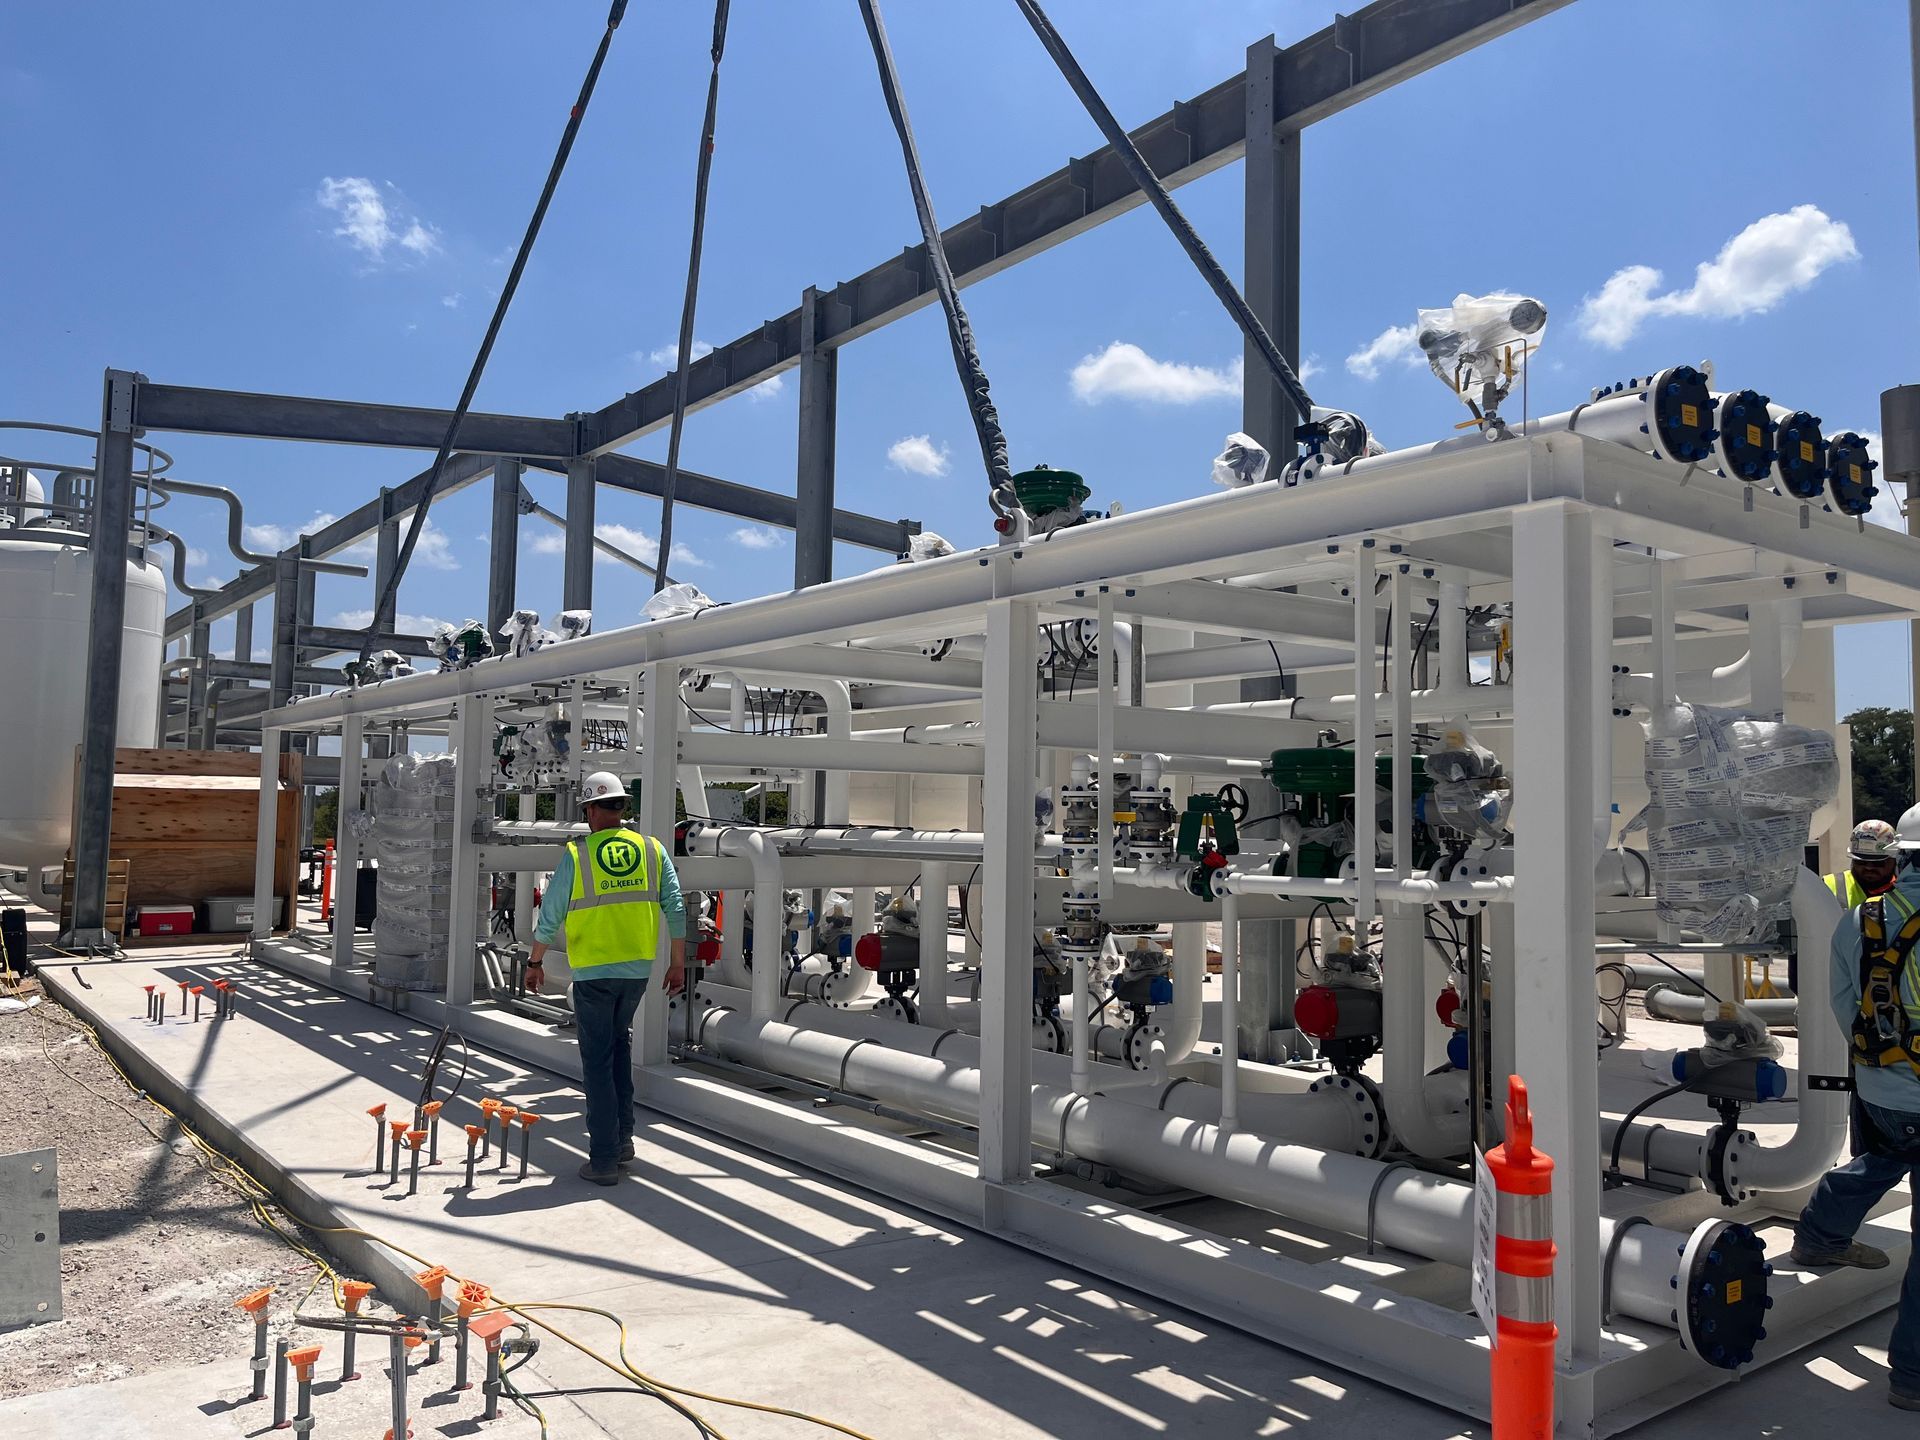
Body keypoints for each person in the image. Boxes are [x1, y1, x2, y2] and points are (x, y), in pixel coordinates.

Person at [1792, 803, 1920, 1411]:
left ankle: (1820, 1232)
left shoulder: (1857, 920)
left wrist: (1881, 1066)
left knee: (1885, 1157)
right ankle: (1913, 1376)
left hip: (1879, 1086)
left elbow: (1843, 1003)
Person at [528, 771, 686, 1185]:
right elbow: (676, 906)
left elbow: (551, 914)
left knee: (597, 1063)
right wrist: (677, 962)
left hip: (595, 973)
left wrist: (535, 961)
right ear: (622, 808)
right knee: (618, 1050)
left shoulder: (578, 855)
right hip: (637, 971)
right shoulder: (652, 849)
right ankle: (623, 1140)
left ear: (590, 810)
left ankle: (602, 1161)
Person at [1826, 819, 1900, 908]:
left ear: (1894, 860)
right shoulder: (1827, 886)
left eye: (1877, 862)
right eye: (1861, 861)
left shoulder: (1907, 892)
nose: (1869, 868)